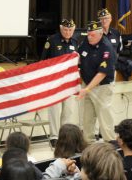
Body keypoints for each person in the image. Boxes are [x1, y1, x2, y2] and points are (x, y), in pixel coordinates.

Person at [41, 19, 80, 147]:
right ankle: (54, 136)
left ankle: (65, 136)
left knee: (68, 110)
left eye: (70, 30)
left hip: (68, 82)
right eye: (65, 29)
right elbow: (43, 60)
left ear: (73, 30)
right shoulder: (52, 40)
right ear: (60, 28)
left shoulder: (75, 42)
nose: (67, 32)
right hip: (55, 82)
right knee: (55, 109)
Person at [77, 21, 117, 143]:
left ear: (100, 34)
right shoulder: (86, 43)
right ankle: (88, 145)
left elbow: (102, 73)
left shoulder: (106, 48)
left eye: (92, 35)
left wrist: (87, 89)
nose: (89, 37)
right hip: (87, 85)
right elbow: (79, 61)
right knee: (87, 118)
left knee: (104, 118)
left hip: (101, 88)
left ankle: (110, 145)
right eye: (88, 34)